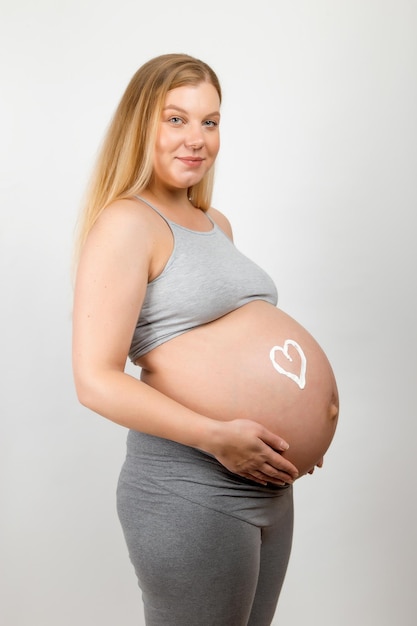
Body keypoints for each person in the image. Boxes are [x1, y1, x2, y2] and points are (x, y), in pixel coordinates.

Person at [72, 53, 339, 626]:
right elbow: (95, 381)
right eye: (176, 119)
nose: (196, 139)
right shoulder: (127, 224)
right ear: (140, 124)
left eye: (210, 122)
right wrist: (218, 436)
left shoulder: (216, 222)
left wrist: (300, 429)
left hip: (265, 484)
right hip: (188, 488)